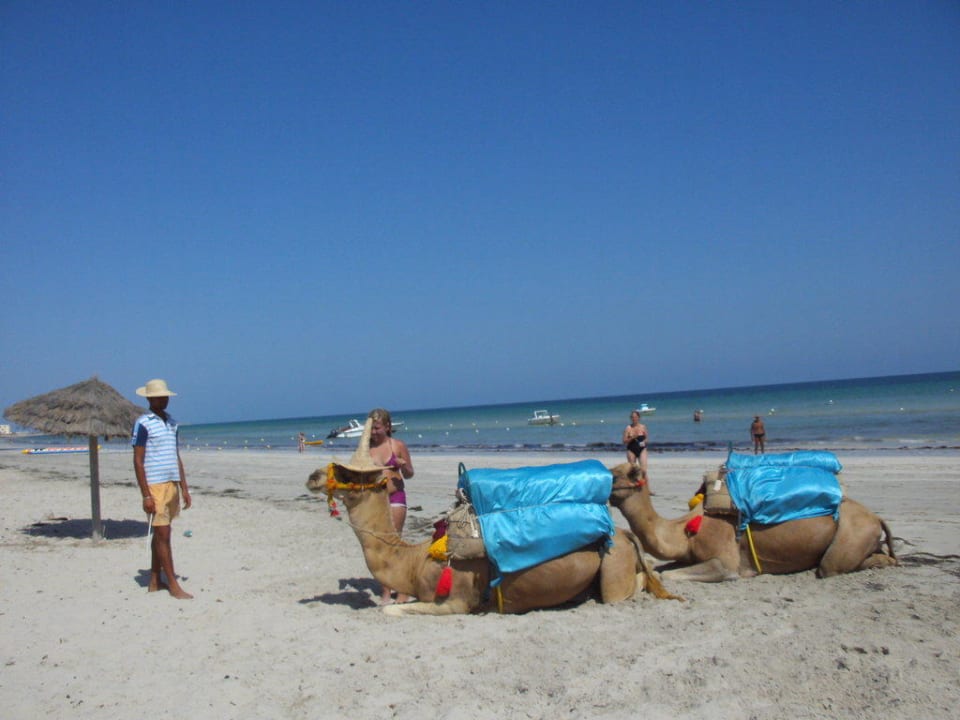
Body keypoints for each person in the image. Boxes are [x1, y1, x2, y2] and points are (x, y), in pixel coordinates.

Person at [132, 378, 193, 600]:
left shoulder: (172, 423)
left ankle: (155, 579)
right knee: (163, 535)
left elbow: (175, 456)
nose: (164, 399)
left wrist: (184, 488)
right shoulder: (143, 423)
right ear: (150, 399)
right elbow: (138, 460)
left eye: (165, 396)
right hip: (155, 485)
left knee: (161, 534)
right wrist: (146, 494)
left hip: (172, 484)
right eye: (159, 396)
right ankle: (173, 584)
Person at [366, 407, 414, 605]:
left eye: (377, 428)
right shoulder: (365, 449)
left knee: (394, 545)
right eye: (371, 428)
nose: (374, 432)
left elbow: (410, 474)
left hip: (396, 498)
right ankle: (386, 591)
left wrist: (403, 466)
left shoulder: (398, 445)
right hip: (375, 501)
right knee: (380, 547)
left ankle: (403, 591)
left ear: (387, 426)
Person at [623, 410, 649, 474]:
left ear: (638, 417)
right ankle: (634, 483)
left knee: (643, 470)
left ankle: (645, 483)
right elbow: (624, 441)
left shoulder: (643, 427)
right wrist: (632, 438)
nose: (634, 418)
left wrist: (644, 442)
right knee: (633, 470)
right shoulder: (628, 428)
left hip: (642, 449)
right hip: (631, 450)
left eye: (635, 417)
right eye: (632, 417)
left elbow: (647, 439)